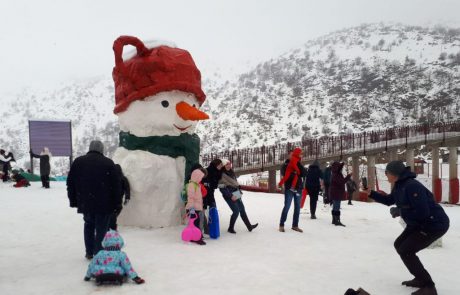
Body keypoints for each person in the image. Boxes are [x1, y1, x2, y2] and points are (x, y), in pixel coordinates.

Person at [362, 161, 449, 295]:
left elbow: (423, 212)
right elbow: (389, 200)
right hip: (418, 223)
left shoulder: (412, 186)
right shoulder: (399, 185)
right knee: (399, 245)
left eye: (387, 173)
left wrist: (400, 211)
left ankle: (428, 286)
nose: (386, 175)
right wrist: (371, 193)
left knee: (406, 250)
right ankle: (420, 279)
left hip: (433, 224)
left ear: (394, 174)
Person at [67, 140, 122, 259]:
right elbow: (116, 185)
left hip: (86, 202)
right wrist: (118, 203)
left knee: (88, 225)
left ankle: (89, 252)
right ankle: (99, 253)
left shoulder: (78, 162)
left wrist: (73, 200)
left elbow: (70, 183)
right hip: (104, 203)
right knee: (102, 228)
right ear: (101, 149)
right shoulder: (108, 163)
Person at [218, 159, 258, 233]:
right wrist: (230, 196)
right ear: (224, 165)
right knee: (236, 211)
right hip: (229, 195)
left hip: (236, 192)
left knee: (242, 209)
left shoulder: (231, 172)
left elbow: (235, 184)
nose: (229, 165)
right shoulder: (221, 175)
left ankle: (249, 227)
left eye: (229, 164)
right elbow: (221, 187)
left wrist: (239, 190)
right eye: (227, 164)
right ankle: (230, 228)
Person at [278, 148, 307, 233]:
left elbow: (304, 173)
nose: (292, 156)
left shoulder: (298, 162)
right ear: (288, 155)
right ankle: (281, 225)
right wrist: (295, 173)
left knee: (297, 207)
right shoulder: (285, 165)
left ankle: (295, 225)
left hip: (298, 188)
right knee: (287, 206)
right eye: (291, 154)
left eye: (293, 154)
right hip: (289, 188)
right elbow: (286, 175)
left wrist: (298, 167)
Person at [185, 168, 207, 245]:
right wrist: (191, 210)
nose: (201, 179)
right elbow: (190, 198)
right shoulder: (192, 185)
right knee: (195, 224)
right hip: (193, 208)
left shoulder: (197, 185)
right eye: (200, 177)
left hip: (197, 208)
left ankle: (194, 237)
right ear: (196, 177)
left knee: (196, 224)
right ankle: (197, 238)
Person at [108, 164, 131, 231]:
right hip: (118, 199)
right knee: (114, 213)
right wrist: (127, 197)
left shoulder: (110, 178)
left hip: (109, 199)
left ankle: (110, 226)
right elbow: (127, 189)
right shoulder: (123, 178)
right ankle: (111, 227)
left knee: (111, 214)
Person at [329, 161, 351, 227]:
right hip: (337, 193)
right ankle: (337, 221)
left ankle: (334, 220)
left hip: (335, 192)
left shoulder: (334, 173)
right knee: (337, 207)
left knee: (335, 206)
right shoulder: (336, 174)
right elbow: (342, 182)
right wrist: (348, 176)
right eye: (340, 167)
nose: (341, 168)